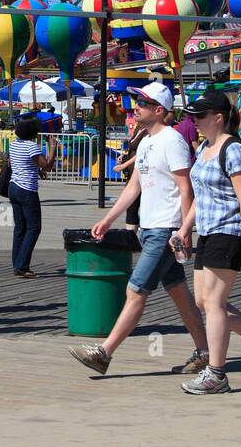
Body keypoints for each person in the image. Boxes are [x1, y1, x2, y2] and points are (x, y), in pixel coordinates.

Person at [68, 81, 209, 378]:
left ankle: (104, 353)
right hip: (148, 229)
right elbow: (135, 186)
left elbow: (186, 189)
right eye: (137, 101)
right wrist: (109, 219)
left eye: (142, 103)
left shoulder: (172, 141)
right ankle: (206, 352)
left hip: (165, 230)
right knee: (180, 295)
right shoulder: (145, 140)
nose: (136, 106)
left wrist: (185, 230)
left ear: (159, 111)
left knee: (135, 291)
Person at [173, 89, 241, 395]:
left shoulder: (232, 150)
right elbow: (202, 195)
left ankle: (217, 373)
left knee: (215, 304)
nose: (193, 121)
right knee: (202, 302)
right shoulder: (206, 147)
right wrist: (185, 229)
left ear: (218, 118)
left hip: (231, 232)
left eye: (199, 116)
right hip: (207, 232)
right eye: (191, 116)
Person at [8, 116, 57, 278]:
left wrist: (36, 169)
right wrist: (53, 148)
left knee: (20, 227)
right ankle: (22, 266)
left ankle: (17, 263)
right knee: (34, 227)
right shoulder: (31, 147)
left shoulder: (14, 144)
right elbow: (48, 165)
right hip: (26, 189)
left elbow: (18, 163)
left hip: (13, 186)